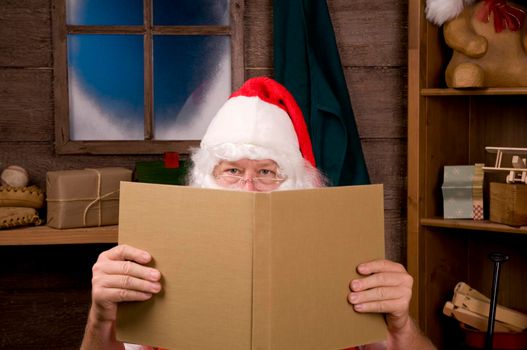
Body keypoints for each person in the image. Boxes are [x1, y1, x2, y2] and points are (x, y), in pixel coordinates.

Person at [80, 77, 436, 350]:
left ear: (297, 183)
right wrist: (101, 318)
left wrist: (402, 328)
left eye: (267, 172)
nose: (248, 188)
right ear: (206, 179)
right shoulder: (159, 254)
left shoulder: (341, 256)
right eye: (232, 171)